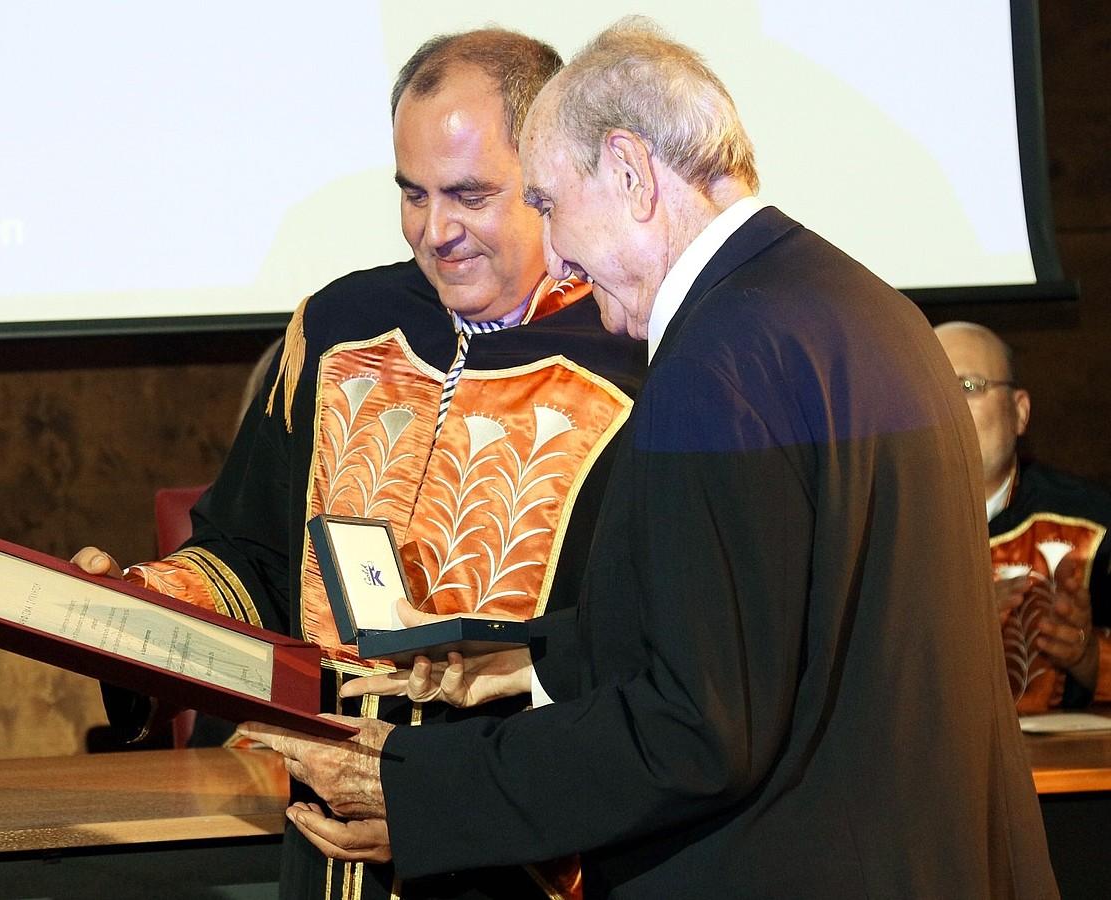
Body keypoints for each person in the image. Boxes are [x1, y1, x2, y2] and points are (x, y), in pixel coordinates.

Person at [238, 17, 1058, 898]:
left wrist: (420, 789)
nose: (558, 254)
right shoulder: (863, 307)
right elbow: (770, 623)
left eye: (548, 203)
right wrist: (530, 661)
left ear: (630, 173)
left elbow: (696, 728)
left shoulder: (713, 361)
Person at [73, 27, 647, 900]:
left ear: (550, 177)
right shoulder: (342, 327)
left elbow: (642, 658)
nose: (435, 231)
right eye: (413, 194)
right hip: (322, 842)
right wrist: (135, 611)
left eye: (468, 195)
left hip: (516, 848)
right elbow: (252, 560)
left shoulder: (632, 366)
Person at [935, 320, 1111, 712]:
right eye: (927, 392)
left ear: (1019, 412)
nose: (945, 409)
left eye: (968, 387)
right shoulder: (870, 529)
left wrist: (1087, 659)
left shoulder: (1093, 525)